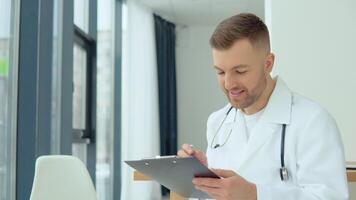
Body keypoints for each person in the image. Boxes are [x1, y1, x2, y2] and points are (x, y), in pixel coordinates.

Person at [177, 13, 349, 200]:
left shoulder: (313, 121)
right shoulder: (217, 121)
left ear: (268, 64)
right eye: (220, 72)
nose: (228, 84)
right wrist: (202, 176)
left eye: (240, 71)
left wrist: (255, 195)